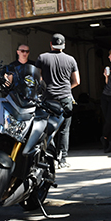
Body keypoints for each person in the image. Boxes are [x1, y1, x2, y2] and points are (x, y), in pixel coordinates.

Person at [35, 33, 80, 168]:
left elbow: (37, 78)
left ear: (50, 44)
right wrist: (67, 88)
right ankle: (62, 159)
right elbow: (77, 81)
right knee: (64, 130)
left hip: (49, 99)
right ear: (64, 45)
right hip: (66, 98)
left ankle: (49, 155)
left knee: (47, 129)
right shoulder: (71, 59)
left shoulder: (42, 58)